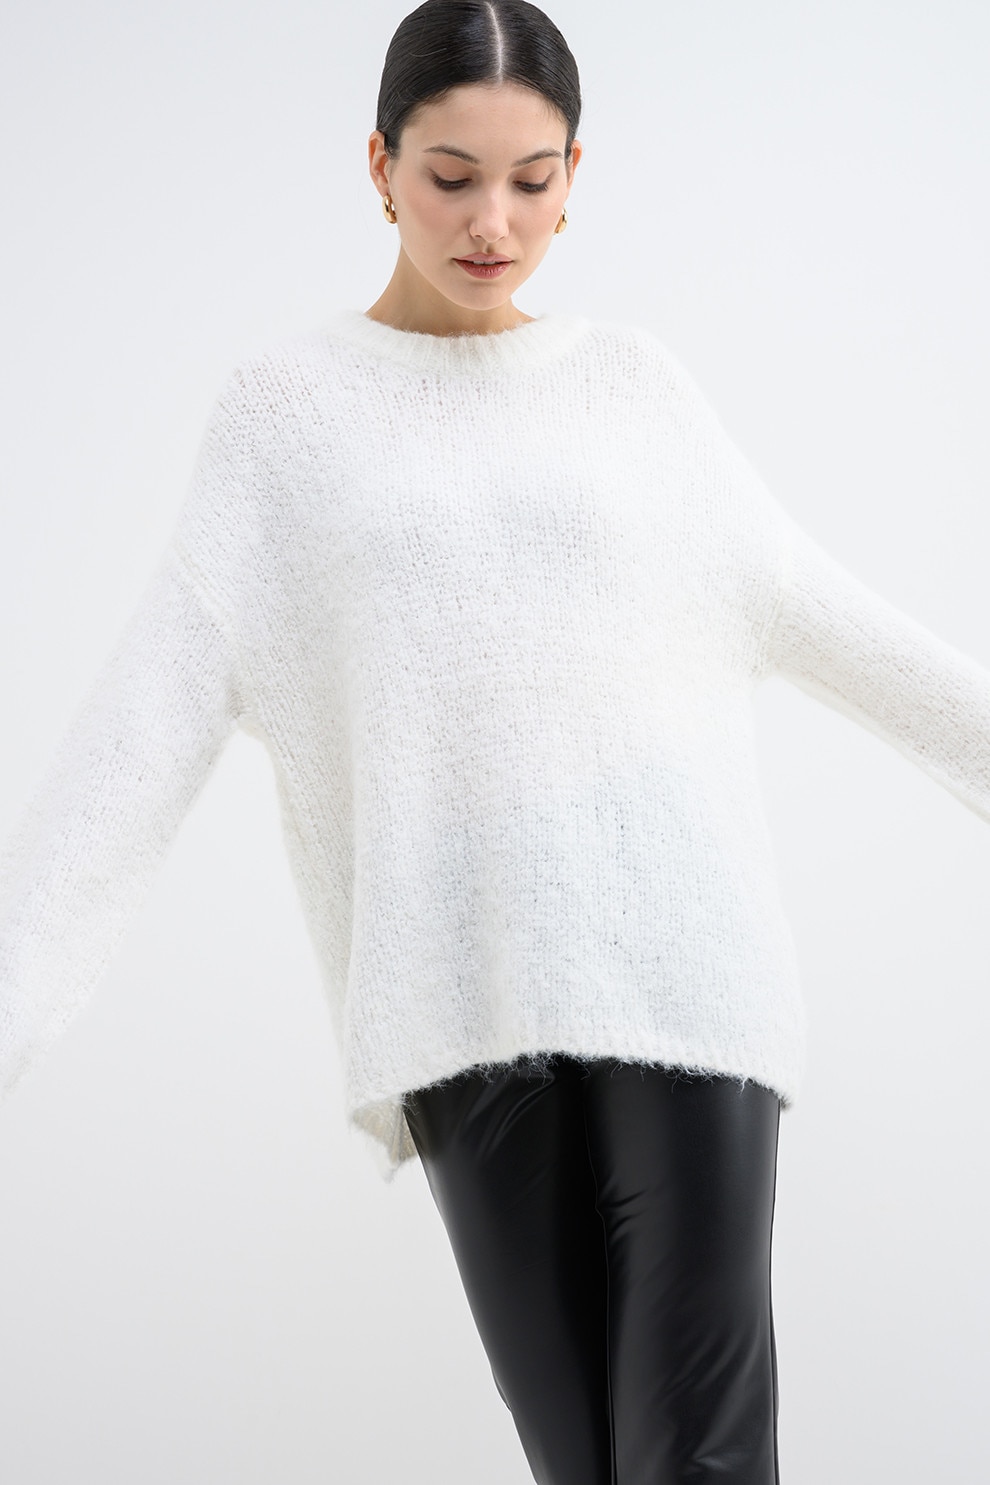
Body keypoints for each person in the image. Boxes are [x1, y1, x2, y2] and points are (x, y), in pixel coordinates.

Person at [0, 1, 987, 1481]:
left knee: (695, 1456)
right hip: (459, 997)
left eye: (532, 180)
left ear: (575, 175)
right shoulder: (285, 419)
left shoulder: (633, 389)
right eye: (451, 176)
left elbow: (835, 622)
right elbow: (137, 737)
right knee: (583, 1460)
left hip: (685, 971)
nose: (493, 221)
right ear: (380, 166)